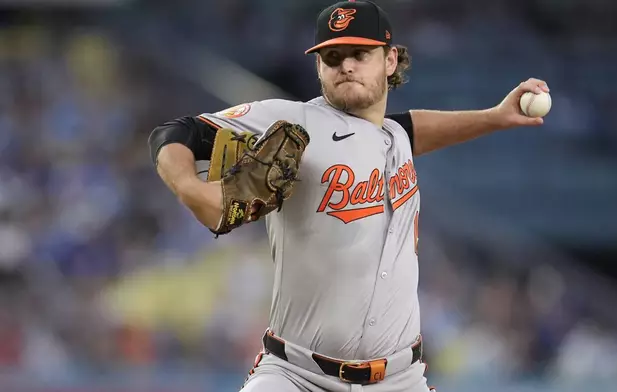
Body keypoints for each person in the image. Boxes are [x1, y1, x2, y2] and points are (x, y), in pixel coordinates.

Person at [147, 1, 550, 391]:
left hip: (400, 378)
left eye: (360, 53)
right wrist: (191, 188)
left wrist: (494, 117)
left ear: (390, 61)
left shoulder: (394, 136)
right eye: (333, 56)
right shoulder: (295, 120)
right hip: (296, 375)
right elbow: (175, 134)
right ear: (319, 67)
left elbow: (412, 128)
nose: (347, 65)